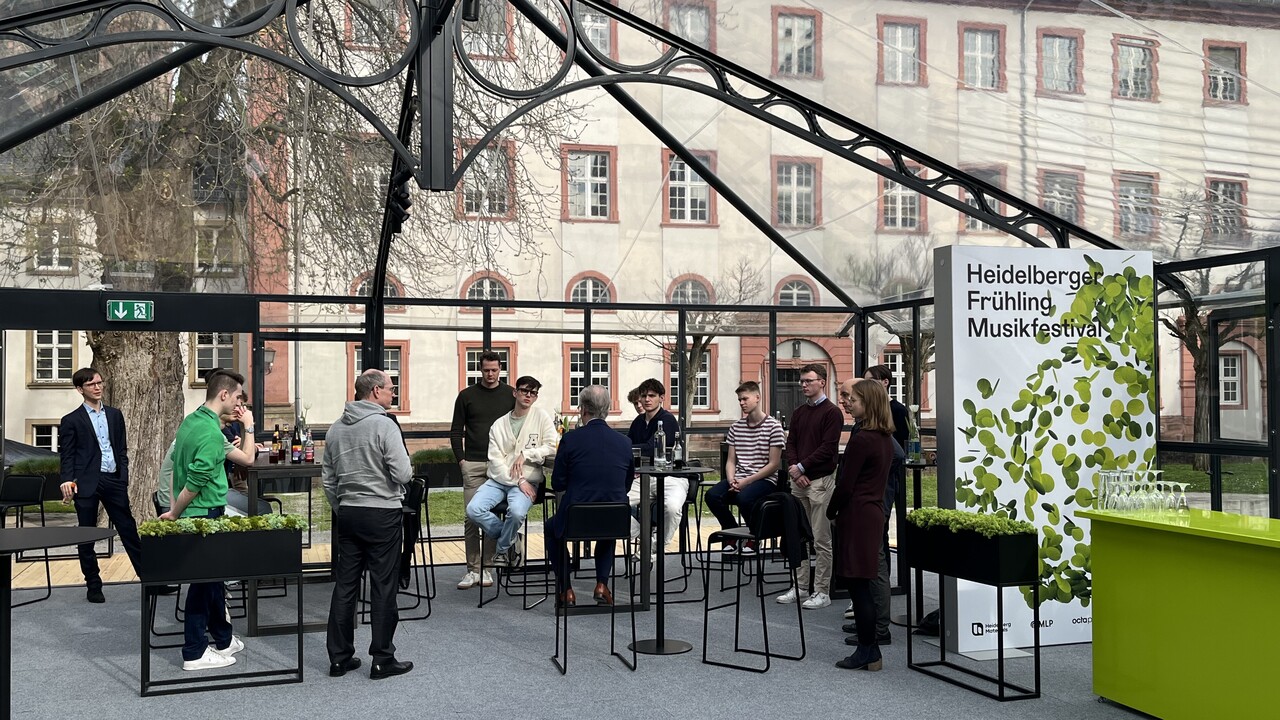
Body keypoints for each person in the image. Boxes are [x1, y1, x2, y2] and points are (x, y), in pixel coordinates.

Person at [323, 369, 414, 680]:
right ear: (375, 391)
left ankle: (339, 658)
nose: (393, 393)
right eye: (390, 388)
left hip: (349, 513)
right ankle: (382, 659)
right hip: (382, 513)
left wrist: (342, 507)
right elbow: (402, 474)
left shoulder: (335, 428)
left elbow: (328, 480)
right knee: (383, 586)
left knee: (345, 585)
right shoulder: (384, 425)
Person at [159, 368, 248, 671]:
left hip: (199, 513)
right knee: (203, 584)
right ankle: (194, 652)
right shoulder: (211, 434)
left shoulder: (192, 421)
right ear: (224, 394)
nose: (239, 403)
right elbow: (194, 482)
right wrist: (174, 512)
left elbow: (176, 470)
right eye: (237, 397)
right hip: (204, 513)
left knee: (212, 581)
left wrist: (175, 509)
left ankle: (222, 639)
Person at [58, 367, 143, 604]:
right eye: (91, 384)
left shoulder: (115, 415)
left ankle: (150, 579)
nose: (97, 387)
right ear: (80, 389)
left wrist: (123, 477)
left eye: (99, 382)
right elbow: (67, 454)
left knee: (128, 529)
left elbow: (121, 449)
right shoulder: (71, 420)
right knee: (86, 534)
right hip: (85, 483)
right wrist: (66, 479)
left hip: (113, 480)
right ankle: (93, 585)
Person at [828, 379, 895, 671]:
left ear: (868, 403)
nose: (848, 404)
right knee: (864, 583)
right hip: (872, 513)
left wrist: (831, 510)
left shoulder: (862, 438)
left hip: (856, 515)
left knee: (859, 587)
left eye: (853, 400)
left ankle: (868, 649)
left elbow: (845, 484)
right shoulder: (884, 437)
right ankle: (871, 650)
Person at [546, 385, 631, 606]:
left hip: (577, 518)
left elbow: (557, 482)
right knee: (607, 528)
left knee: (551, 528)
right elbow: (627, 483)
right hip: (615, 517)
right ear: (608, 409)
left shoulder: (571, 440)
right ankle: (602, 584)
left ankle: (566, 589)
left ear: (583, 409)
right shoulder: (624, 442)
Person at [465, 376, 558, 567]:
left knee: (516, 513)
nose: (528, 395)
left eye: (533, 393)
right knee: (473, 510)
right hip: (500, 481)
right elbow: (495, 461)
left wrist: (527, 454)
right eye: (524, 391)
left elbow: (552, 446)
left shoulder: (541, 417)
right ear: (515, 393)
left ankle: (501, 549)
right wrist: (519, 480)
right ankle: (511, 538)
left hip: (529, 480)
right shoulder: (499, 425)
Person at [450, 350, 516, 589]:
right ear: (480, 370)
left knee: (489, 514)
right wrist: (462, 461)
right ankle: (472, 569)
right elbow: (456, 431)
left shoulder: (510, 395)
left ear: (501, 370)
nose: (490, 374)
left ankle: (487, 567)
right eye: (486, 370)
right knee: (471, 516)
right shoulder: (466, 396)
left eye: (494, 370)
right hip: (473, 463)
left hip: (500, 464)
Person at [779, 363, 842, 609]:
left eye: (809, 380)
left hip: (820, 482)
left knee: (821, 539)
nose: (803, 385)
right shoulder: (799, 412)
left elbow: (828, 448)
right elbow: (791, 443)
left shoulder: (832, 413)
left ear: (822, 382)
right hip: (799, 481)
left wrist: (802, 467)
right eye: (802, 381)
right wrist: (795, 468)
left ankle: (822, 591)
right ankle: (800, 586)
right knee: (799, 537)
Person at [856, 364, 909, 625]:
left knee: (876, 553)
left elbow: (900, 453)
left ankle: (878, 622)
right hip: (871, 495)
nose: (849, 402)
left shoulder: (884, 423)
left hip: (877, 494)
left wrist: (880, 472)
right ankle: (870, 616)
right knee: (871, 553)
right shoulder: (865, 428)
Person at [704, 381, 784, 555]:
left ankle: (754, 536)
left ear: (757, 398)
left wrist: (746, 481)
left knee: (744, 498)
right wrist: (731, 479)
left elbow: (773, 464)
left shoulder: (774, 427)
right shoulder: (736, 427)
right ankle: (731, 533)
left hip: (764, 479)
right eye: (739, 400)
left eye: (745, 399)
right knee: (711, 496)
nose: (741, 403)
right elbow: (731, 461)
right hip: (740, 477)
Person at [156, 394, 258, 514]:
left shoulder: (196, 424)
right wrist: (248, 425)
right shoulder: (211, 433)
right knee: (259, 510)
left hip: (180, 500)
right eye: (236, 406)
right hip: (182, 504)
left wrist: (243, 427)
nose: (241, 411)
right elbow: (248, 459)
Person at [626, 378, 686, 555]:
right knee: (612, 503)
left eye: (652, 396)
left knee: (672, 507)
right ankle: (644, 535)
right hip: (642, 478)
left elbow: (651, 449)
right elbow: (629, 449)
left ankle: (654, 546)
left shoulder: (667, 420)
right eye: (644, 396)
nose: (647, 399)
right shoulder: (638, 422)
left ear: (662, 398)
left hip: (670, 477)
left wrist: (629, 448)